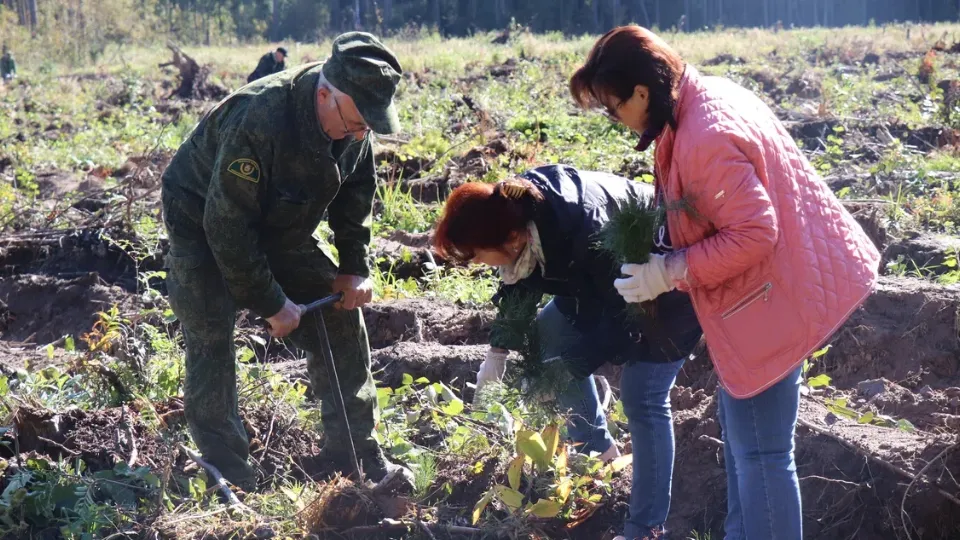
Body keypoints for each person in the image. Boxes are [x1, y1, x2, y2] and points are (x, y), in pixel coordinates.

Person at [570, 26, 881, 540]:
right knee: (752, 445)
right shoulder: (699, 99)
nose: (614, 119)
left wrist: (669, 271)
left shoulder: (703, 137)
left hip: (769, 300)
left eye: (612, 106)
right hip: (778, 287)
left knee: (761, 452)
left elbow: (755, 233)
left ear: (642, 93)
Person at [161, 32, 407, 490]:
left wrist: (354, 265)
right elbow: (227, 228)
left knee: (340, 313)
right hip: (202, 220)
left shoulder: (353, 121)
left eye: (366, 128)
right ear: (324, 94)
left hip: (278, 219)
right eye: (355, 123)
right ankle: (228, 473)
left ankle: (354, 453)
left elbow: (356, 193)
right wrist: (271, 302)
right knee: (211, 329)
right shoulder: (261, 119)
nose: (359, 134)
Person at [432, 165, 703, 540]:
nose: (478, 263)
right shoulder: (517, 213)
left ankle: (645, 528)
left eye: (477, 256)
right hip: (598, 287)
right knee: (547, 345)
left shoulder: (585, 230)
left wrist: (567, 368)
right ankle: (600, 457)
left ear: (509, 240)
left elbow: (625, 320)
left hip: (666, 291)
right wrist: (497, 353)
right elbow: (521, 283)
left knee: (644, 398)